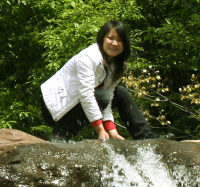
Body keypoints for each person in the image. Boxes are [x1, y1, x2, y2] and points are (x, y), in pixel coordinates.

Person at [41, 20, 169, 141]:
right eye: (110, 38)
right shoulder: (87, 58)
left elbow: (109, 96)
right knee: (100, 96)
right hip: (55, 107)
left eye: (120, 40)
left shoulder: (118, 65)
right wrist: (100, 130)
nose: (115, 43)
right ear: (102, 38)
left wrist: (111, 130)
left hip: (78, 102)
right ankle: (61, 136)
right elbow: (86, 95)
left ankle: (146, 137)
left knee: (121, 93)